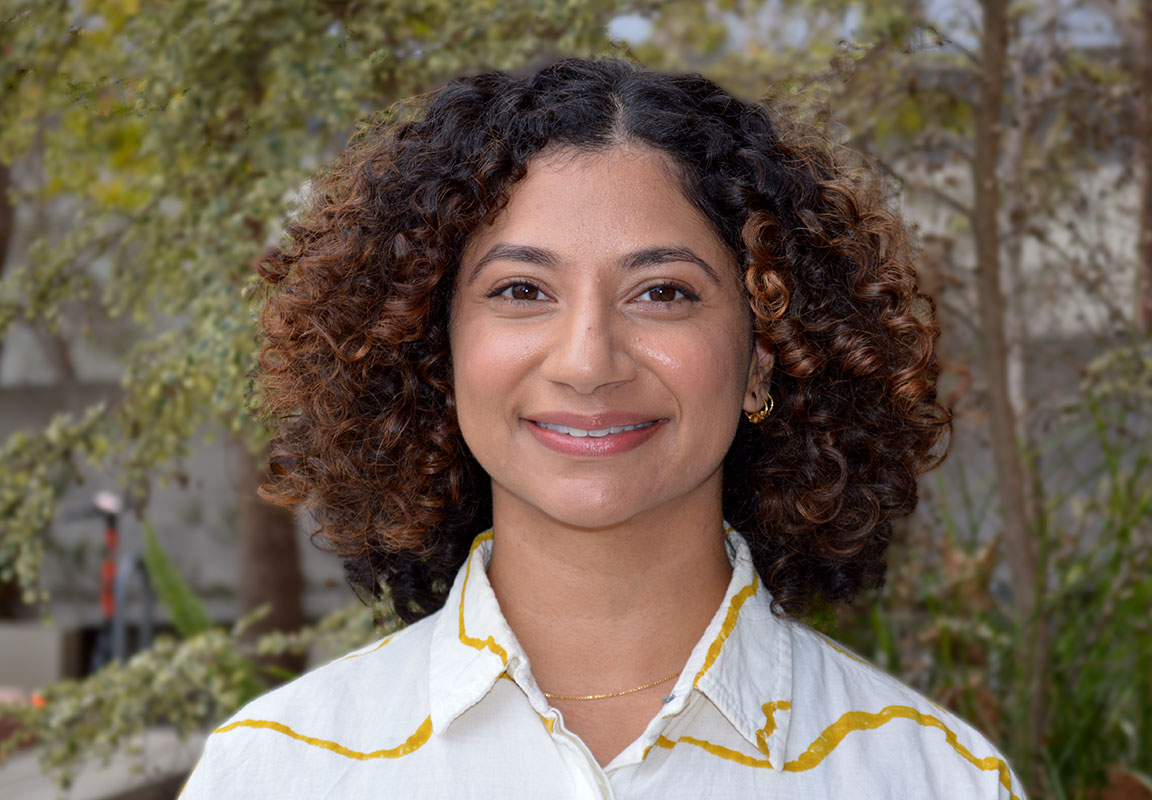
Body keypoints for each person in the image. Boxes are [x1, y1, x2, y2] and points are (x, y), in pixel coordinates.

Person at [180, 57, 1024, 799]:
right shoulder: (275, 772)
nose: (588, 362)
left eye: (662, 292)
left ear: (766, 352)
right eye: (521, 291)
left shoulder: (934, 778)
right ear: (432, 345)